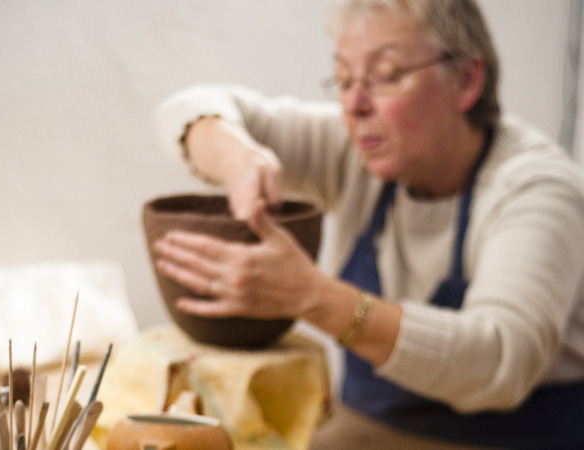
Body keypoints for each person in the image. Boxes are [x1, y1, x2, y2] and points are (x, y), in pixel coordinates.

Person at [151, 0, 584, 449]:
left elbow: (498, 361)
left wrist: (314, 296)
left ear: (467, 80)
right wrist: (237, 157)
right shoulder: (359, 147)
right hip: (367, 429)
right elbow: (186, 109)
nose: (355, 106)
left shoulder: (537, 189)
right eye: (342, 80)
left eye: (388, 75)